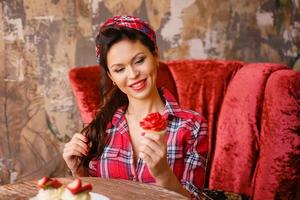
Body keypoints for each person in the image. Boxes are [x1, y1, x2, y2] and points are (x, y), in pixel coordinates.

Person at [63, 15, 208, 199]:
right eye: (119, 69)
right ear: (111, 77)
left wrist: (163, 173)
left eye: (139, 60)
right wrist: (79, 171)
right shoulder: (103, 125)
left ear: (155, 56)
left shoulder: (192, 126)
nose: (133, 74)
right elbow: (95, 195)